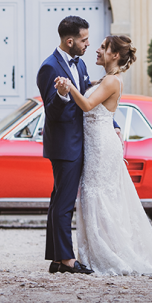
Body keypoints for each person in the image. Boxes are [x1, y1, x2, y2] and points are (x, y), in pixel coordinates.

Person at [54, 35, 152, 276]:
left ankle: (109, 252)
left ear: (115, 55)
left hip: (101, 146)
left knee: (99, 196)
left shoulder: (112, 81)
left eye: (103, 47)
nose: (97, 50)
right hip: (95, 143)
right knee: (93, 196)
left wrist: (69, 86)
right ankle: (92, 252)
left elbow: (88, 106)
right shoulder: (105, 79)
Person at [36, 16, 122, 275]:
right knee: (63, 204)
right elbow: (52, 112)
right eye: (84, 40)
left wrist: (113, 123)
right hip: (65, 145)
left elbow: (92, 101)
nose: (88, 44)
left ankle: (56, 257)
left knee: (58, 202)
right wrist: (62, 94)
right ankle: (66, 260)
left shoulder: (81, 64)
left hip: (83, 143)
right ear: (70, 41)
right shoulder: (49, 68)